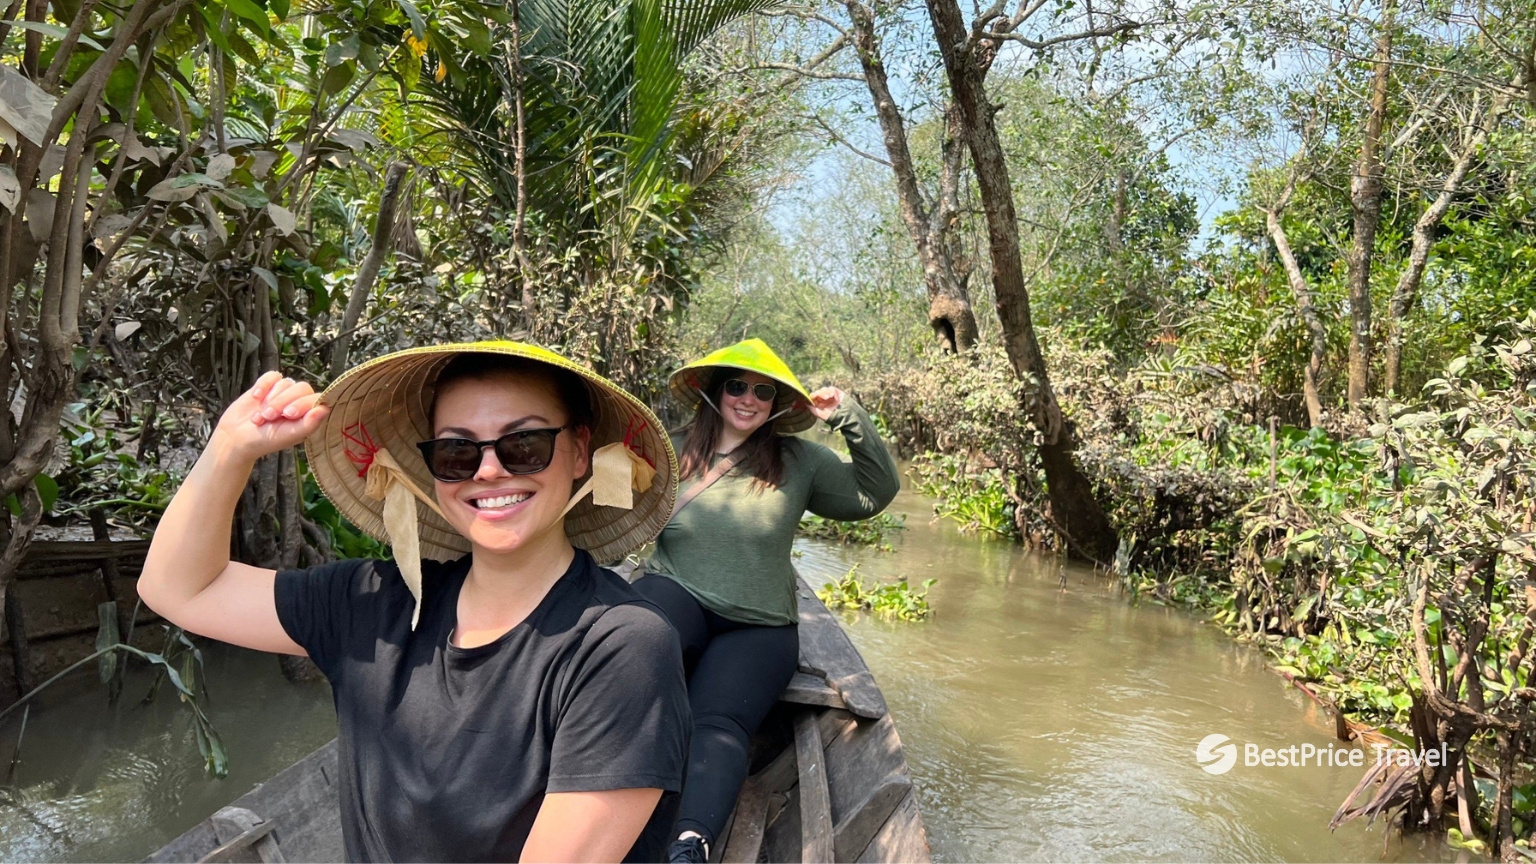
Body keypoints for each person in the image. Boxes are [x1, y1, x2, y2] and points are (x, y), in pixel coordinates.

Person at [138, 341, 690, 863]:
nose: (488, 469)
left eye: (524, 444)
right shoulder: (370, 604)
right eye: (456, 451)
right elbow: (180, 589)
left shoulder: (621, 645)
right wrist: (231, 448)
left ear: (578, 453)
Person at [630, 338, 901, 863]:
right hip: (676, 589)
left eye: (763, 390)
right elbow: (608, 503)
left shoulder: (802, 461)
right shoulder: (669, 448)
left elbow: (875, 491)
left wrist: (846, 413)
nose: (749, 399)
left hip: (758, 624)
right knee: (635, 663)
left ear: (777, 401)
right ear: (715, 390)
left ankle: (690, 844)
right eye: (737, 386)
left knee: (719, 722)